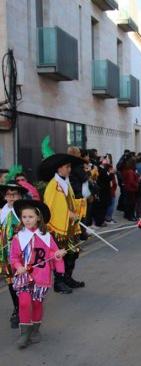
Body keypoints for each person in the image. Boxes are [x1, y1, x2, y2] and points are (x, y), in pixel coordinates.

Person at [10, 200, 66, 348]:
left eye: (30, 216)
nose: (27, 220)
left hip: (41, 276)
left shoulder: (46, 236)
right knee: (23, 303)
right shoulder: (18, 238)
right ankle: (24, 333)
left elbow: (52, 252)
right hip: (24, 276)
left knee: (37, 303)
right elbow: (14, 257)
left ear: (38, 218)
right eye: (24, 217)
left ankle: (35, 330)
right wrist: (18, 266)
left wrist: (58, 253)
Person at [39, 148, 86, 293]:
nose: (69, 169)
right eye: (67, 167)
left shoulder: (65, 183)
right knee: (60, 254)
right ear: (59, 168)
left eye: (70, 167)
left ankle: (68, 277)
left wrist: (80, 203)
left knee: (73, 252)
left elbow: (69, 202)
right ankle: (59, 282)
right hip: (59, 228)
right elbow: (52, 207)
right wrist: (67, 214)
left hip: (70, 226)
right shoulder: (53, 186)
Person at [0, 181, 28, 328]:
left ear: (20, 196)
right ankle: (17, 309)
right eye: (9, 195)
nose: (11, 197)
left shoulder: (24, 213)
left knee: (23, 283)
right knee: (11, 284)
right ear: (5, 197)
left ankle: (24, 308)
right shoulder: (1, 213)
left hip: (21, 256)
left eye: (15, 194)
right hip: (6, 255)